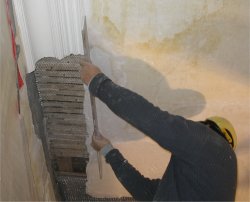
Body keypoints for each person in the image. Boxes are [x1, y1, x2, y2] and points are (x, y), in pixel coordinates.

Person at [80, 61, 237, 201]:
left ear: (210, 127)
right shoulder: (203, 182)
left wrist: (99, 83)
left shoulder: (211, 144)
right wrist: (108, 151)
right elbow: (145, 191)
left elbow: (155, 121)